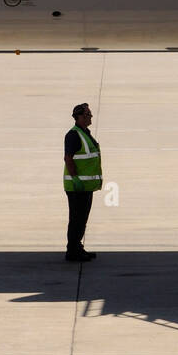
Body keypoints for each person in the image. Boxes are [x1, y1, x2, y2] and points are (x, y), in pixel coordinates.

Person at [63, 102, 101, 262]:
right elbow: (68, 158)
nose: (91, 117)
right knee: (76, 218)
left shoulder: (85, 133)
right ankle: (72, 251)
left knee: (82, 218)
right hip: (77, 186)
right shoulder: (73, 135)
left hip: (86, 186)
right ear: (79, 117)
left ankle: (78, 247)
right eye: (88, 115)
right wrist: (75, 178)